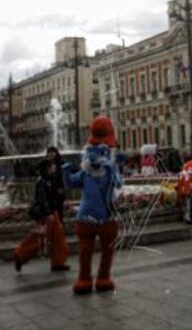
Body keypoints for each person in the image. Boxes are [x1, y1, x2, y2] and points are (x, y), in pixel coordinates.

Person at [63, 116, 122, 294]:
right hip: (106, 216)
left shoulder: (87, 170)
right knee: (105, 250)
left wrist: (65, 172)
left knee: (86, 251)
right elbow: (118, 184)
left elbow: (71, 183)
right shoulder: (103, 168)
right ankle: (100, 278)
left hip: (88, 216)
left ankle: (85, 279)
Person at [14, 159, 70, 272]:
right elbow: (42, 199)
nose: (55, 167)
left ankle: (58, 262)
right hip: (48, 214)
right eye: (53, 165)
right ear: (47, 168)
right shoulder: (42, 181)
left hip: (52, 212)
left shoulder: (49, 179)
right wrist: (48, 213)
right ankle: (20, 255)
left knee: (55, 237)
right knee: (41, 237)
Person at [46, 146, 66, 221]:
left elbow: (63, 177)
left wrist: (62, 188)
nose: (51, 154)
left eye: (52, 152)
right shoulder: (46, 163)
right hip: (50, 190)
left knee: (59, 209)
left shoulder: (61, 163)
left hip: (59, 189)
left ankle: (60, 225)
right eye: (49, 152)